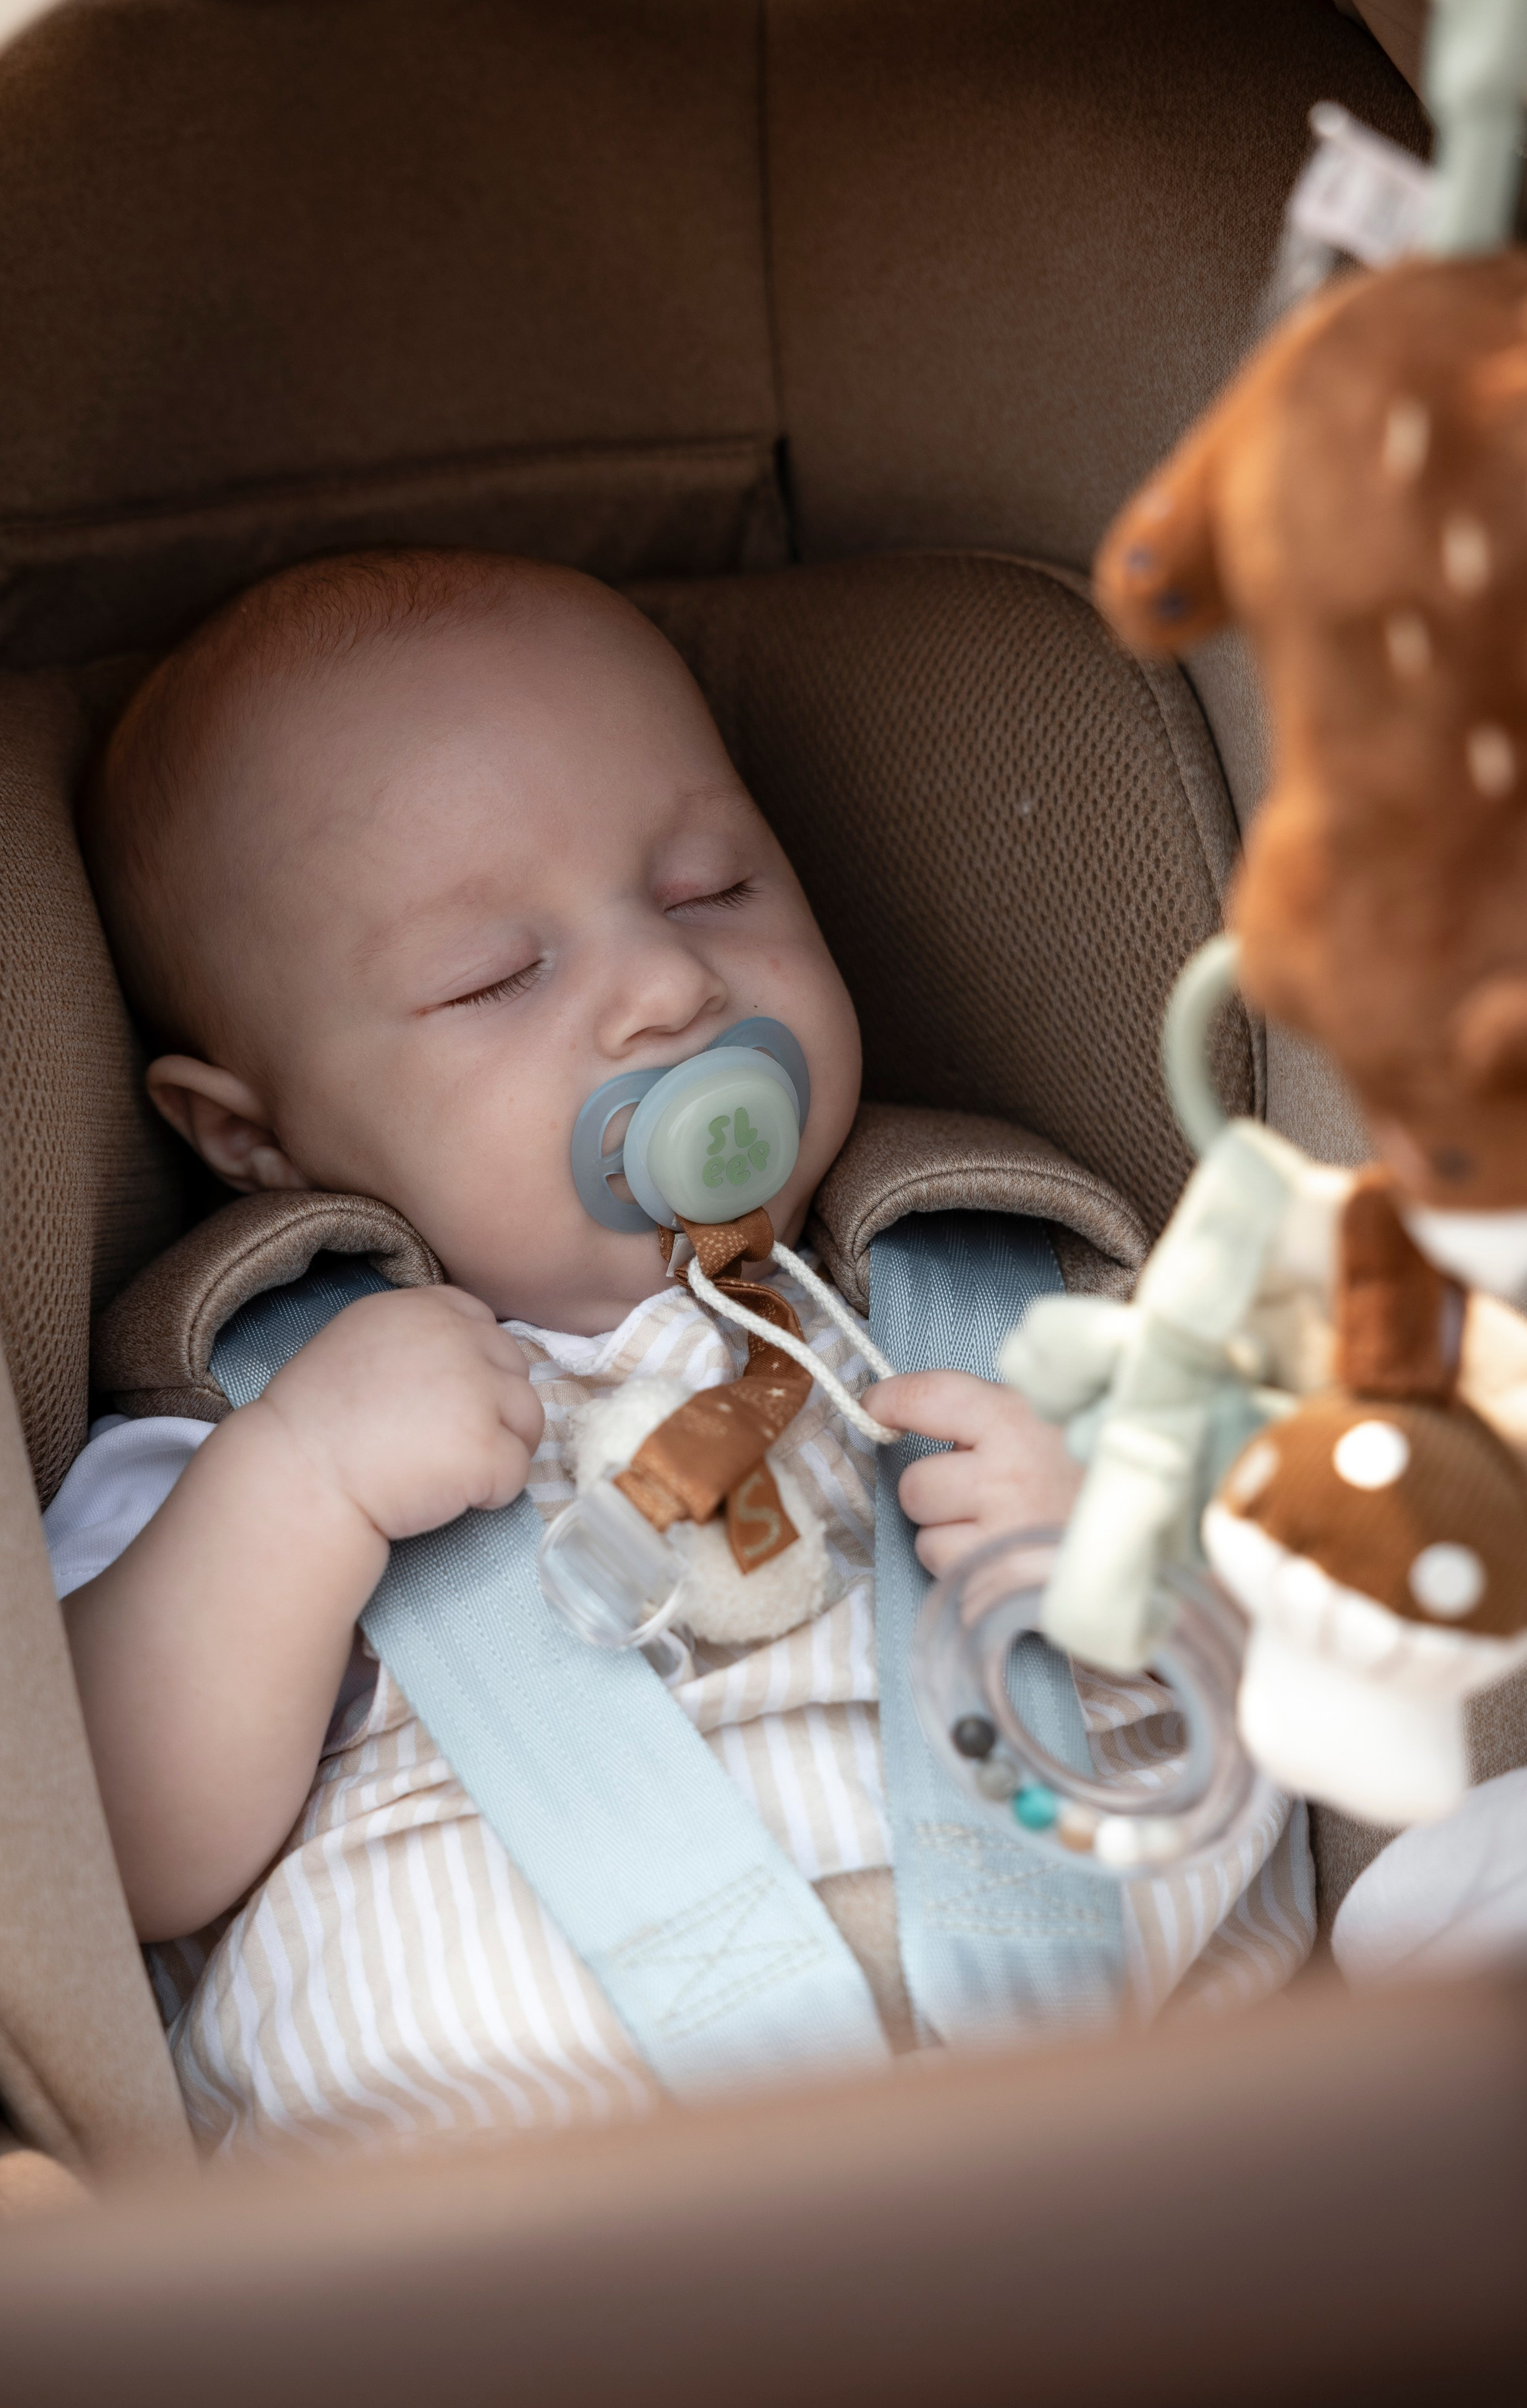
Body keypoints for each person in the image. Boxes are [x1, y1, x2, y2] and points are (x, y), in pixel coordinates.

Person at [50, 547, 1311, 2158]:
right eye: (496, 975)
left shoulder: (1020, 1305)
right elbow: (99, 1861)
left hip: (1162, 2135)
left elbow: (1348, 1651)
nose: (667, 983)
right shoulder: (244, 1431)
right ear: (250, 1136)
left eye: (714, 885)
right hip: (549, 2231)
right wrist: (296, 1491)